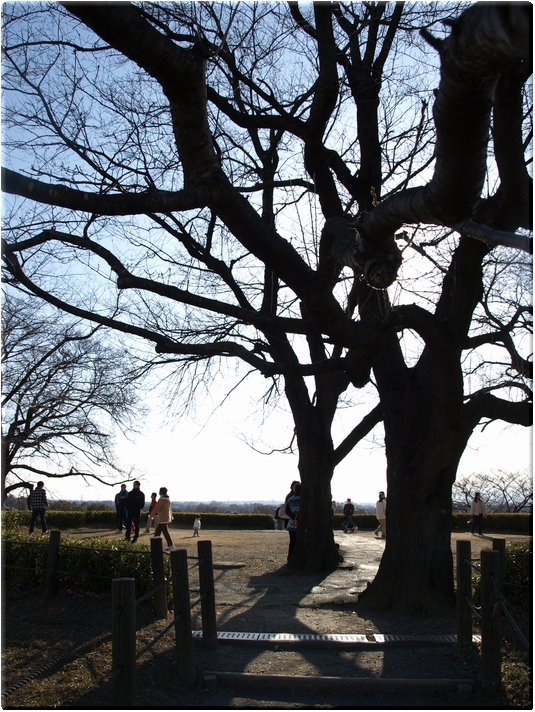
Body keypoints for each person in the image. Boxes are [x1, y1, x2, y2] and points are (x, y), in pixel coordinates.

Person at [285, 482, 301, 563]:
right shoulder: (304, 499)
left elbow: (287, 511)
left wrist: (294, 517)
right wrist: (298, 518)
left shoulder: (290, 499)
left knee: (292, 542)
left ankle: (290, 558)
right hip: (301, 523)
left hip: (291, 523)